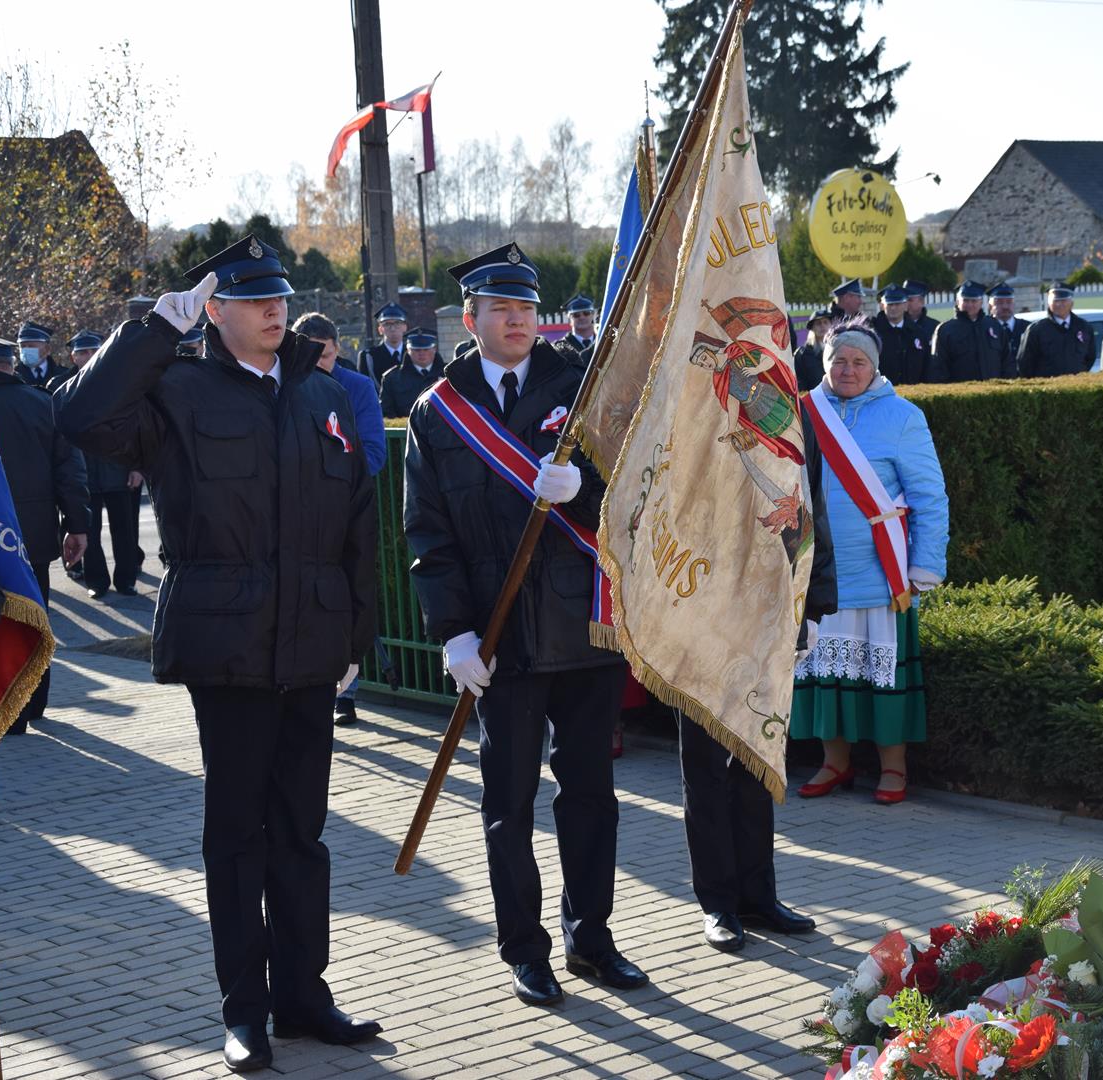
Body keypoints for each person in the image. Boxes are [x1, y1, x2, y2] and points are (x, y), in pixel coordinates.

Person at [54, 235, 380, 1074]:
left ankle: (306, 996)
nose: (275, 309)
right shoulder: (179, 390)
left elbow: (358, 523)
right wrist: (152, 333)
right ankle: (245, 1011)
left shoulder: (323, 394)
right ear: (216, 311)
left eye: (280, 296)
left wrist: (356, 637)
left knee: (303, 836)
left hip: (311, 646)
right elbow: (83, 420)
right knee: (238, 836)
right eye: (253, 299)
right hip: (229, 651)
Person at [403, 241, 647, 1009]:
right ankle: (526, 949)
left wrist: (582, 489)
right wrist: (452, 634)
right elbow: (428, 533)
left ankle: (592, 937)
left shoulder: (579, 385)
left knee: (590, 795)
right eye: (502, 310)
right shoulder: (437, 410)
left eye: (527, 309)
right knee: (508, 804)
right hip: (499, 640)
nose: (518, 322)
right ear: (469, 320)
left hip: (581, 628)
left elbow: (634, 485)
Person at [683, 424, 836, 952]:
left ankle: (758, 895)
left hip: (770, 602)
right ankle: (718, 902)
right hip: (700, 596)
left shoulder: (786, 392)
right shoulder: (693, 393)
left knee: (758, 758)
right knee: (705, 767)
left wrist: (814, 602)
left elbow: (809, 499)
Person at [793, 321, 948, 805]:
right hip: (819, 573)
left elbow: (930, 496)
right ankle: (834, 763)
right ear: (825, 362)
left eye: (859, 361)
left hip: (881, 573)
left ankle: (893, 769)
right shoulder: (802, 411)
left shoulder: (903, 416)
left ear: (875, 366)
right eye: (839, 360)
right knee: (824, 676)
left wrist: (925, 565)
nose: (848, 369)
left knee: (885, 678)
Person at [0, 323, 88, 734]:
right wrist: (78, 526)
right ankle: (31, 705)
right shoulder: (43, 404)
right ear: (9, 363)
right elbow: (70, 473)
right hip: (33, 536)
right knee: (34, 613)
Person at [293, 312, 388, 727]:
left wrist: (327, 475)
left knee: (347, 598)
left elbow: (375, 452)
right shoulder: (282, 385)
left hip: (345, 512)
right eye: (310, 356)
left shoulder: (357, 388)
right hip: (294, 516)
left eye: (326, 356)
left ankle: (346, 691)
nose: (318, 365)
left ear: (337, 350)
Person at [69, 331, 146, 600]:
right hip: (83, 472)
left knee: (124, 530)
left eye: (93, 351)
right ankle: (97, 581)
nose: (88, 356)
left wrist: (138, 466)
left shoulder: (122, 385)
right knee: (89, 531)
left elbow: (138, 428)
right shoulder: (64, 385)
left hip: (119, 468)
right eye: (82, 352)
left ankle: (126, 580)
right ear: (73, 356)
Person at [926, 281, 1009, 382]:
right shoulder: (945, 330)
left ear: (981, 302)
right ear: (957, 302)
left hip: (993, 392)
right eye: (965, 300)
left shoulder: (994, 326)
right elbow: (938, 367)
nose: (970, 304)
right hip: (961, 393)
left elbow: (1007, 361)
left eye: (974, 301)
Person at [1018, 283, 1096, 378]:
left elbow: (1090, 357)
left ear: (1071, 303)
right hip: (1048, 388)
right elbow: (1025, 363)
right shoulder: (1037, 330)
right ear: (1049, 303)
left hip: (1076, 386)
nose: (1059, 304)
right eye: (1055, 301)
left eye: (1063, 300)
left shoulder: (1084, 327)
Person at [871, 285, 928, 386]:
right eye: (890, 304)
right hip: (882, 393)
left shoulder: (917, 332)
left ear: (906, 306)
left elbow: (926, 366)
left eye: (897, 304)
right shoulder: (874, 333)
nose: (893, 308)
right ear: (882, 306)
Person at [379, 329, 443, 418]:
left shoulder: (448, 374)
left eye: (426, 349)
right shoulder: (392, 378)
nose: (422, 353)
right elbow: (386, 413)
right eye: (416, 350)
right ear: (408, 350)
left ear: (434, 349)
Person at [357, 302, 408, 387]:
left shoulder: (413, 353)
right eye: (387, 324)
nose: (392, 328)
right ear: (380, 329)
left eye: (397, 323)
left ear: (405, 327)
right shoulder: (369, 357)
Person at [15, 321, 69, 389]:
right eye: (22, 346)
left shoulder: (63, 375)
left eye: (31, 346)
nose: (26, 350)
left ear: (47, 349)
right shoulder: (13, 376)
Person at [792, 308, 833, 393]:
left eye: (825, 322)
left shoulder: (839, 350)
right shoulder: (802, 354)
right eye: (818, 323)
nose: (822, 326)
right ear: (812, 328)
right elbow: (799, 383)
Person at [989, 284, 1027, 372]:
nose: (1005, 306)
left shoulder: (1027, 327)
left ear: (1014, 304)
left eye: (1009, 302)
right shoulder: (985, 329)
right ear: (990, 307)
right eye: (999, 302)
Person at [556, 295, 597, 368]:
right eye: (576, 315)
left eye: (586, 313)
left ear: (593, 314)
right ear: (569, 317)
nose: (582, 317)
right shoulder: (562, 347)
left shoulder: (603, 339)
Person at [903, 279, 940, 355]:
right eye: (904, 300)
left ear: (922, 302)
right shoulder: (898, 325)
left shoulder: (935, 327)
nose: (906, 303)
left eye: (909, 300)